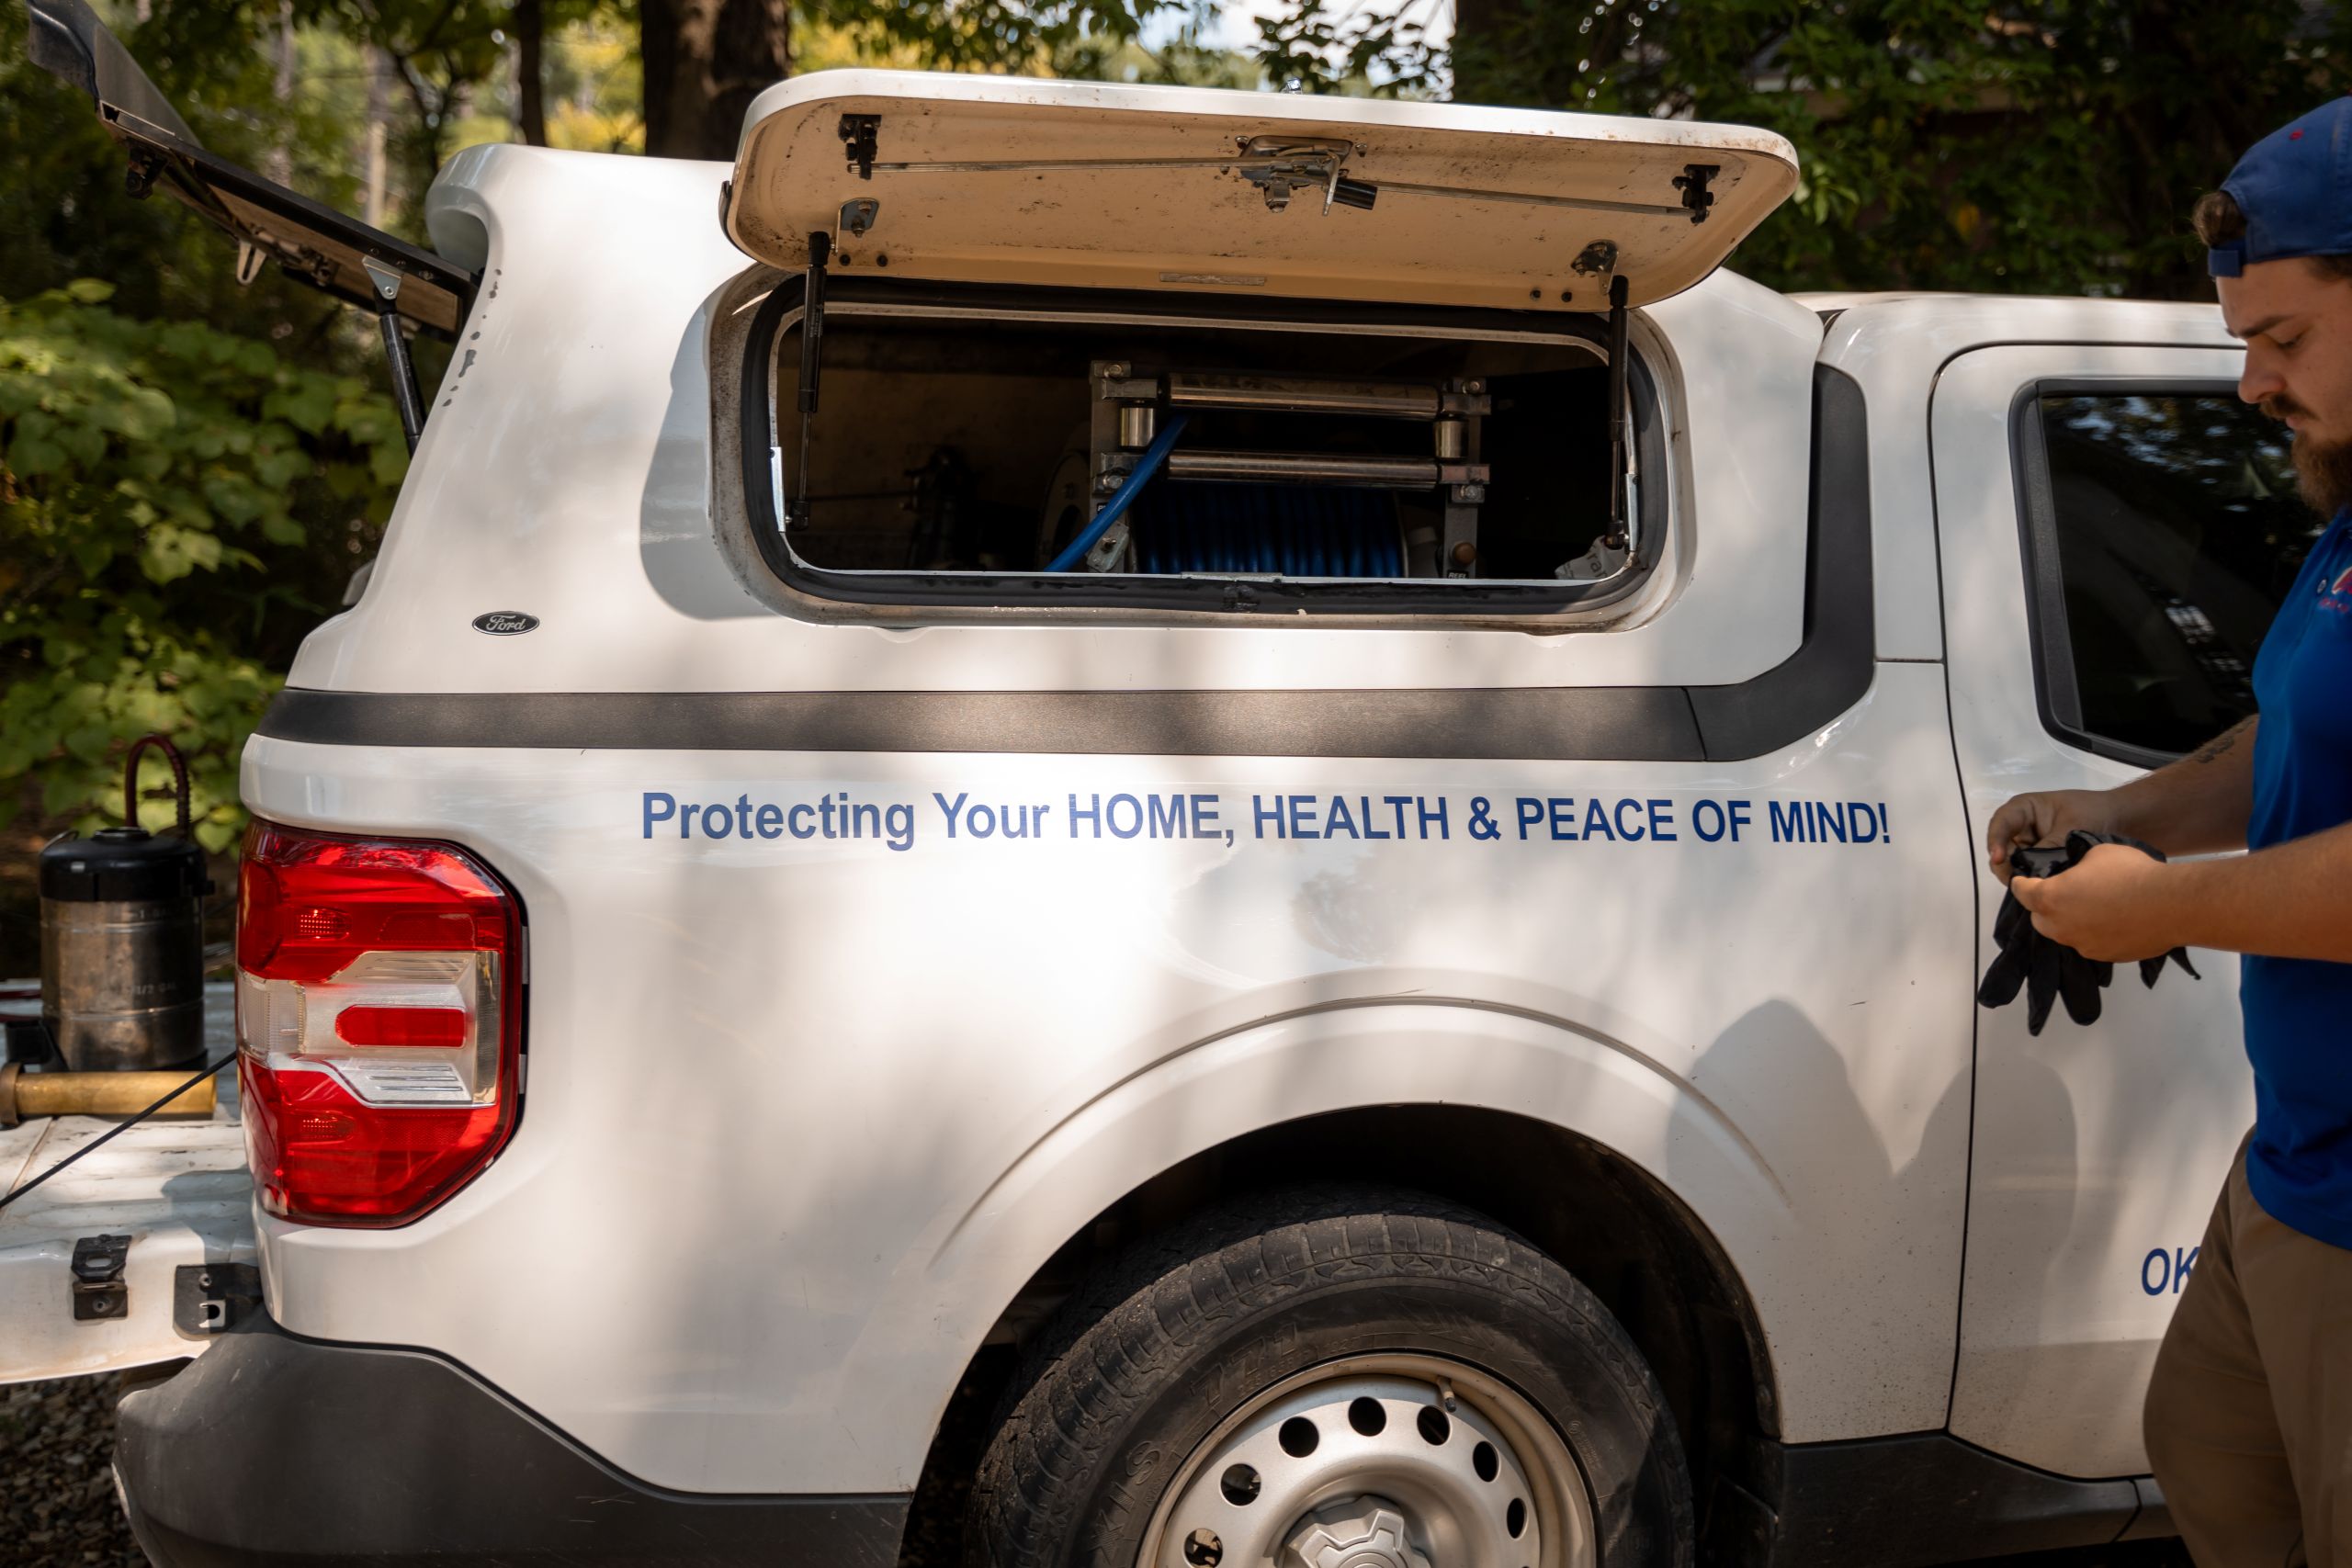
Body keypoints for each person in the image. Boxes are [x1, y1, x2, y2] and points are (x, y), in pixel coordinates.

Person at [1984, 97, 2352, 1565]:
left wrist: (2168, 908)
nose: (2253, 384)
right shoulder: (2350, 517)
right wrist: (2120, 813)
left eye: (2286, 338)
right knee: (2210, 1463)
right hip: (2297, 1164)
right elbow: (2297, 732)